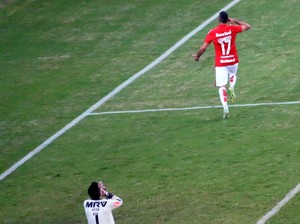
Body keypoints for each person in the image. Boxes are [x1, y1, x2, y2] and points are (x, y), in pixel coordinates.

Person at [193, 11, 251, 118]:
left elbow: (203, 47)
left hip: (221, 63)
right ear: (227, 19)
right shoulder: (232, 28)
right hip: (233, 60)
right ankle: (232, 87)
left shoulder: (213, 32)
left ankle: (225, 107)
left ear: (219, 19)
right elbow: (247, 26)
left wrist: (197, 56)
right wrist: (235, 21)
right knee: (232, 74)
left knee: (221, 85)